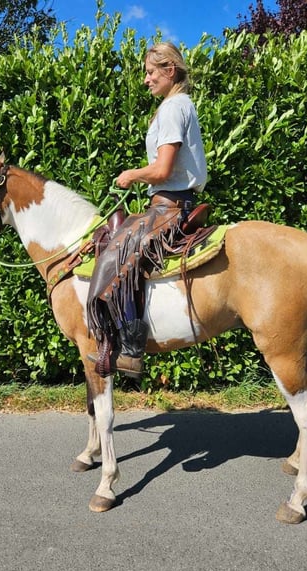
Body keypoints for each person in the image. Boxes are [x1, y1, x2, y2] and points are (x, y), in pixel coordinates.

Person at [87, 42, 208, 379]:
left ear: (170, 71)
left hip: (170, 204)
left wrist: (131, 175)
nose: (146, 80)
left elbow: (163, 170)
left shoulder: (172, 109)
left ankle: (130, 349)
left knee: (116, 253)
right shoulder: (178, 105)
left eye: (151, 72)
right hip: (170, 201)